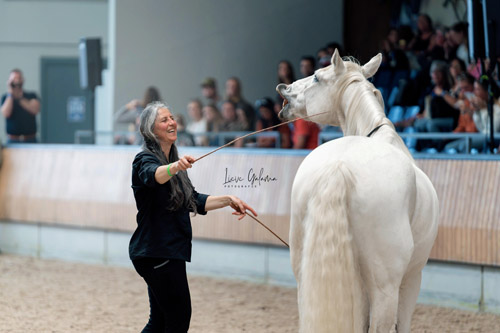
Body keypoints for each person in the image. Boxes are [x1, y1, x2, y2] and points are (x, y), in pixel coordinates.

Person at [130, 101, 257, 332]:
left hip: (165, 251)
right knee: (178, 320)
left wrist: (229, 199)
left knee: (159, 322)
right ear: (151, 130)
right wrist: (176, 167)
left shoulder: (173, 164)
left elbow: (194, 201)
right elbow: (153, 176)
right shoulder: (145, 160)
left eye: (172, 118)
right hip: (157, 251)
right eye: (164, 120)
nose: (172, 123)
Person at [1, 69, 40, 143]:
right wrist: (10, 94)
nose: (16, 81)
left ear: (23, 80)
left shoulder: (31, 96)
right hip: (12, 140)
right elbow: (6, 113)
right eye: (14, 79)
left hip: (30, 140)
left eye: (18, 78)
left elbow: (35, 110)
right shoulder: (5, 98)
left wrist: (19, 97)